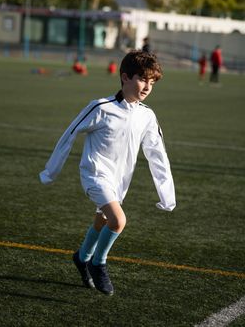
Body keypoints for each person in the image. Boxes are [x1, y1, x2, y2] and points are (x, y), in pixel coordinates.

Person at [39, 50, 176, 296]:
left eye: (152, 82)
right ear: (125, 77)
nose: (147, 86)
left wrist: (167, 194)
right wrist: (51, 171)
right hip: (95, 174)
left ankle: (81, 258)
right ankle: (97, 263)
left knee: (102, 220)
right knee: (118, 220)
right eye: (143, 79)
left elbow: (158, 154)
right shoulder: (101, 107)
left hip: (120, 179)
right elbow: (70, 134)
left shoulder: (147, 116)